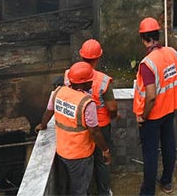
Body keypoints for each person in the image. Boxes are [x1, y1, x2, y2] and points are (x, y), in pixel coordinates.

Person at [134, 17, 177, 195]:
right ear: (157, 35)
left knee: (150, 155)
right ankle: (167, 182)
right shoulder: (172, 53)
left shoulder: (147, 64)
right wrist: (175, 83)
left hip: (152, 116)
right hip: (169, 109)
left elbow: (151, 96)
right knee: (169, 145)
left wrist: (143, 116)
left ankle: (147, 193)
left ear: (142, 38)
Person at [36, 62, 112, 196]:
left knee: (64, 188)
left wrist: (42, 125)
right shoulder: (87, 103)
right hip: (80, 155)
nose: (92, 83)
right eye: (90, 81)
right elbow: (94, 131)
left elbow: (49, 111)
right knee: (80, 190)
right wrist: (105, 150)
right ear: (82, 84)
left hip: (62, 151)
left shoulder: (58, 91)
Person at [65, 39, 118, 196]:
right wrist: (114, 116)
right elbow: (112, 107)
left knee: (85, 160)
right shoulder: (103, 80)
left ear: (81, 56)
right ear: (98, 58)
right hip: (100, 126)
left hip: (79, 125)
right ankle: (103, 192)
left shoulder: (69, 74)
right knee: (103, 160)